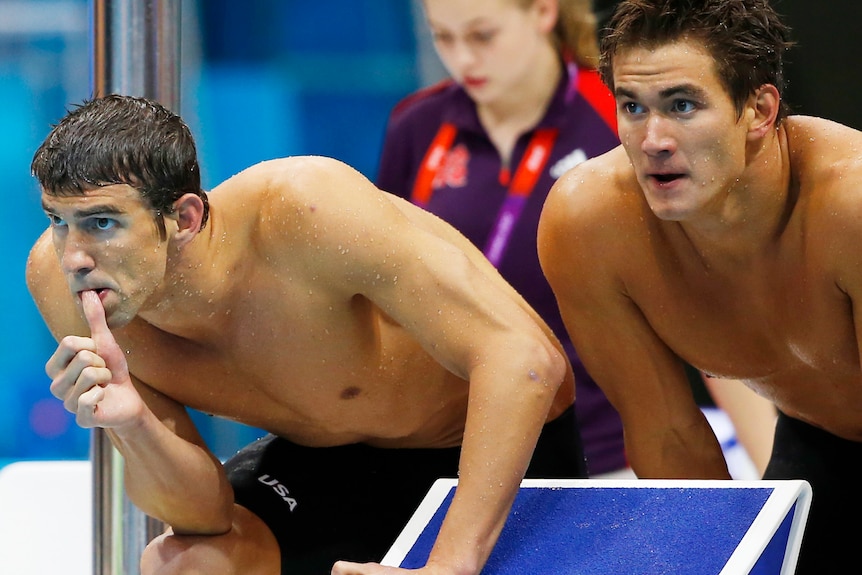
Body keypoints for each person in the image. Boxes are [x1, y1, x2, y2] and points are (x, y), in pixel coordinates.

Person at [27, 94, 588, 575]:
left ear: (186, 219)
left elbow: (526, 359)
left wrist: (448, 565)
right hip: (328, 467)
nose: (74, 255)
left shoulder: (303, 209)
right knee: (184, 563)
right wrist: (134, 424)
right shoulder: (61, 284)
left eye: (103, 223)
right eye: (58, 221)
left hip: (490, 454)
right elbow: (204, 515)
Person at [537, 0, 862, 571]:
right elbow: (667, 437)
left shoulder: (850, 207)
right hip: (821, 439)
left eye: (682, 105)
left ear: (759, 110)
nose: (652, 139)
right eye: (632, 107)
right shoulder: (590, 225)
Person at [376, 0, 628, 478]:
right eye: (443, 38)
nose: (463, 59)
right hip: (455, 448)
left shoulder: (617, 112)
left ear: (543, 13)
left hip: (602, 451)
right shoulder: (416, 127)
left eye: (482, 35)